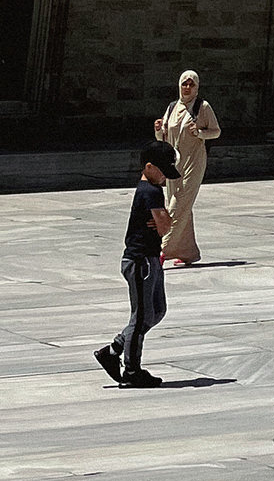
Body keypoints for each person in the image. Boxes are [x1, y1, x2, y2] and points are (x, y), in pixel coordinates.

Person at [94, 139, 179, 388]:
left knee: (157, 311)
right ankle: (131, 370)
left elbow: (162, 225)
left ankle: (114, 349)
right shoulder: (150, 191)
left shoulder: (152, 189)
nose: (165, 178)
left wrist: (164, 220)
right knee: (141, 315)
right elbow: (164, 227)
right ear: (149, 167)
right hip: (140, 261)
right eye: (163, 171)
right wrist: (167, 218)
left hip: (150, 259)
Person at [155, 69, 221, 265]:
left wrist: (199, 132)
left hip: (194, 162)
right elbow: (165, 137)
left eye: (191, 84)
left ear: (197, 87)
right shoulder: (172, 107)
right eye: (185, 83)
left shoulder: (203, 107)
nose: (187, 88)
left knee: (178, 205)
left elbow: (216, 132)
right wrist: (159, 131)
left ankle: (161, 249)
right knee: (182, 206)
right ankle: (187, 251)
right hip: (174, 163)